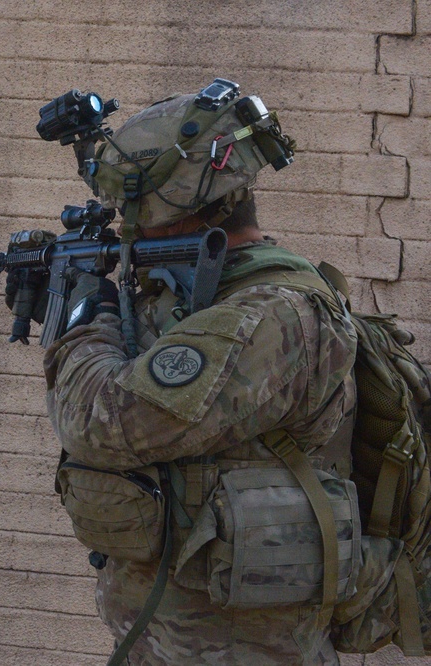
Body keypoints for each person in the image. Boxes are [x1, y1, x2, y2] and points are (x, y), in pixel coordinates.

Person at [32, 83, 407, 664]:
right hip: (171, 637)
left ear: (168, 206)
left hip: (243, 647)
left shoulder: (271, 315)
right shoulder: (201, 296)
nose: (123, 228)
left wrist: (88, 316)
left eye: (130, 210)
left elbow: (100, 422)